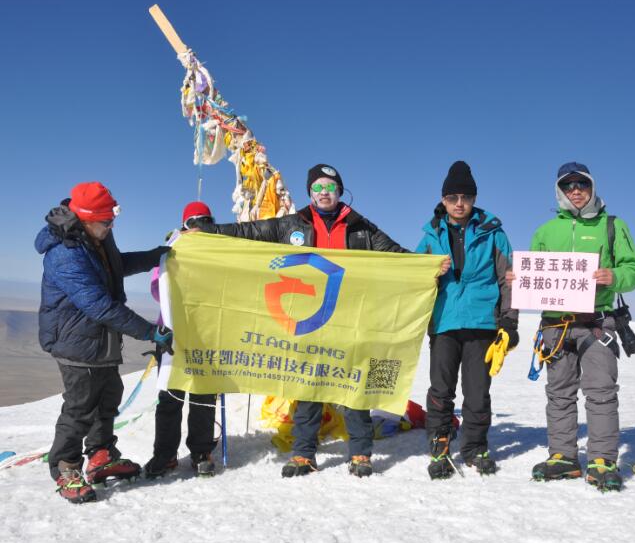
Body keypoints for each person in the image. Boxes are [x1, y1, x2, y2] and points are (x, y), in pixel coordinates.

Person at [198, 163, 419, 478]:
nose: (324, 192)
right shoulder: (294, 224)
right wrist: (207, 232)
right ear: (310, 193)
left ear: (339, 191)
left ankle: (360, 453)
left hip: (351, 319)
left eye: (330, 187)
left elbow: (397, 255)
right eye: (317, 187)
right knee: (308, 387)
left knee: (353, 386)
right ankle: (303, 454)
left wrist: (429, 266)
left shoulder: (361, 228)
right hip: (309, 319)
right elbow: (249, 233)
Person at [35, 182, 173, 503]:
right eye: (106, 221)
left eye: (113, 220)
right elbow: (99, 306)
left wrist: (155, 256)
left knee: (109, 395)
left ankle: (100, 456)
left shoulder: (96, 235)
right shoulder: (65, 252)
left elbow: (115, 266)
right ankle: (66, 468)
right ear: (86, 219)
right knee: (80, 407)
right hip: (75, 340)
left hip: (100, 339)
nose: (111, 226)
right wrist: (149, 331)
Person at [512, 162, 635, 491]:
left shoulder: (613, 226)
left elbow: (633, 269)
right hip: (555, 326)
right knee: (559, 393)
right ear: (559, 191)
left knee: (600, 393)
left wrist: (615, 276)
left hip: (596, 323)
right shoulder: (545, 231)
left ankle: (602, 460)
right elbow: (535, 276)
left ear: (592, 187)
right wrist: (520, 278)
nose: (575, 191)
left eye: (581, 184)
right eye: (567, 185)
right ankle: (563, 457)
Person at [416, 161, 518, 479]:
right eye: (453, 197)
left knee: (477, 392)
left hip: (482, 324)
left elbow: (508, 280)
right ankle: (439, 446)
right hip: (444, 323)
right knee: (441, 389)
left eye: (466, 197)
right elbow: (414, 279)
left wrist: (509, 322)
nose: (459, 203)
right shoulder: (430, 236)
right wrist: (432, 272)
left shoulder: (494, 233)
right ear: (443, 199)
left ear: (474, 199)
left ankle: (475, 448)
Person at [144, 201, 218, 479]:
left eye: (205, 221)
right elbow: (157, 289)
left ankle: (201, 451)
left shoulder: (221, 251)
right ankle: (165, 455)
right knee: (170, 396)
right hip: (172, 333)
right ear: (184, 224)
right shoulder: (171, 248)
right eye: (193, 221)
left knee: (203, 395)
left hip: (207, 333)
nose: (199, 227)